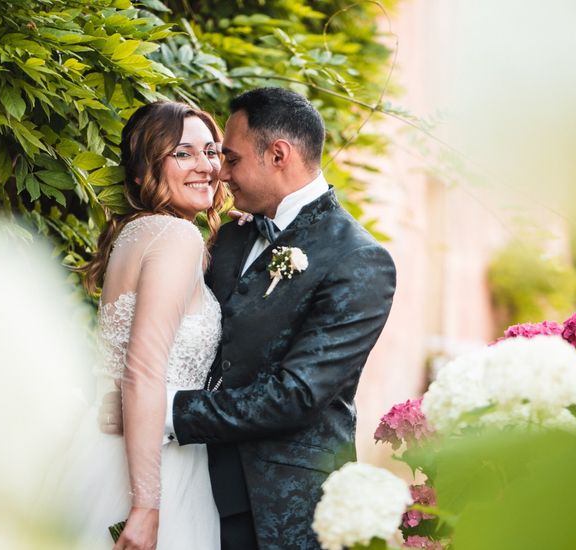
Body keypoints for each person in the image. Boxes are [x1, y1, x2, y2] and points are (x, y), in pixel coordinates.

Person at [105, 87, 397, 549]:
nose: (220, 172)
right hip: (197, 485)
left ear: (277, 155)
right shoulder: (226, 238)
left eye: (231, 159)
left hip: (286, 507)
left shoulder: (357, 259)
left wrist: (165, 410)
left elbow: (297, 394)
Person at [69, 100, 226, 549]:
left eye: (211, 151)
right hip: (157, 468)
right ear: (141, 172)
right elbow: (142, 371)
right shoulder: (177, 236)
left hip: (107, 450)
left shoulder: (137, 232)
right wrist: (145, 507)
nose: (206, 166)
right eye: (183, 153)